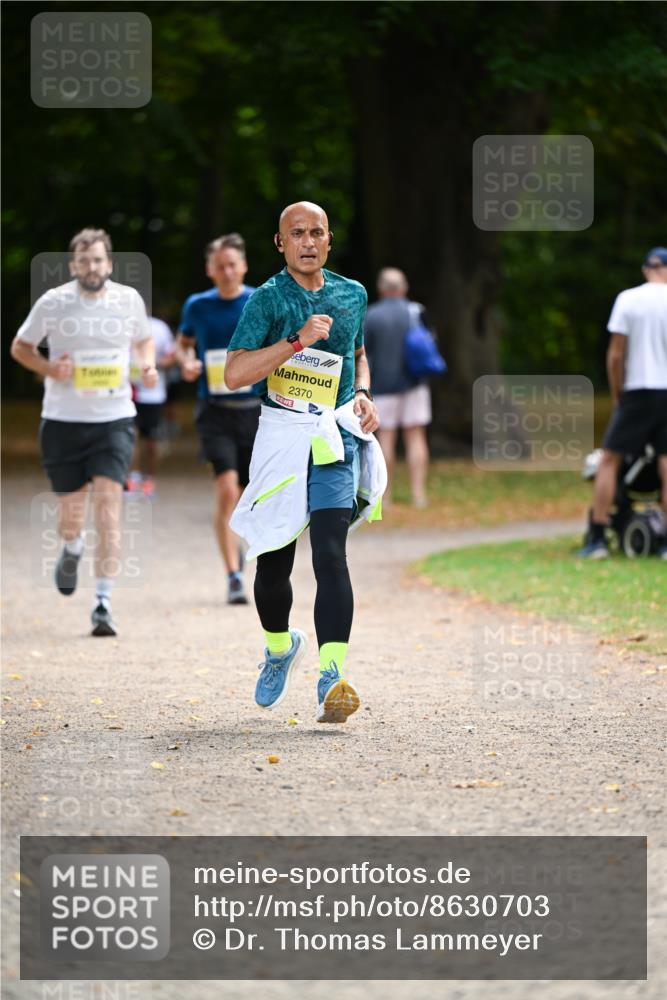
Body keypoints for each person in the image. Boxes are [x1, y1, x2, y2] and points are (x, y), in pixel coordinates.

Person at [224, 201, 386, 724]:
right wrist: (297, 341)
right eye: (297, 234)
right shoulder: (267, 299)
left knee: (331, 555)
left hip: (335, 435)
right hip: (282, 436)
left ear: (329, 240)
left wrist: (362, 392)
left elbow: (357, 353)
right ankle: (279, 648)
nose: (308, 242)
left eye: (317, 232)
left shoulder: (352, 293)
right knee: (274, 562)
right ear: (280, 243)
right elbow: (234, 374)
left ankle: (331, 677)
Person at [10, 227, 157, 635]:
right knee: (71, 517)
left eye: (98, 259)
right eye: (84, 261)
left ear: (109, 264)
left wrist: (147, 365)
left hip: (114, 419)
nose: (92, 267)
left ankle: (102, 604)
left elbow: (144, 341)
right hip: (63, 422)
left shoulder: (128, 300)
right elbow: (20, 347)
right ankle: (72, 545)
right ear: (74, 266)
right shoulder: (53, 302)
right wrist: (49, 368)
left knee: (109, 507)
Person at [176, 233, 259, 605]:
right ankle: (233, 576)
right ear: (210, 269)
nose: (227, 272)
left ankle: (240, 547)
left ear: (243, 266)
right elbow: (183, 344)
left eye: (232, 265)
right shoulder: (197, 305)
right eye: (220, 266)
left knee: (248, 496)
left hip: (255, 411)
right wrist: (186, 363)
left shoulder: (258, 301)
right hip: (215, 412)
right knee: (226, 489)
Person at [580, 246, 667, 558]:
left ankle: (598, 538)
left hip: (638, 389)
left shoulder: (628, 299)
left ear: (646, 269)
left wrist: (618, 393)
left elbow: (616, 354)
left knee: (609, 460)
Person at [363, 267, 432, 508]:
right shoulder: (416, 311)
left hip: (382, 386)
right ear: (404, 288)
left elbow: (364, 352)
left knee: (386, 439)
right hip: (415, 384)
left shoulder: (371, 315)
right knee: (416, 437)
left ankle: (386, 496)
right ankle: (418, 495)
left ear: (381, 289)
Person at [126, 313, 177, 499]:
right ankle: (132, 479)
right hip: (126, 392)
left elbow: (172, 357)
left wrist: (152, 365)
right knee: (130, 437)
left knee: (152, 442)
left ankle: (149, 480)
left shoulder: (159, 327)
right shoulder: (118, 325)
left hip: (153, 395)